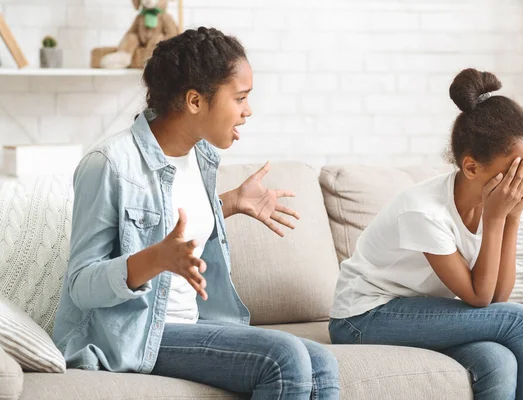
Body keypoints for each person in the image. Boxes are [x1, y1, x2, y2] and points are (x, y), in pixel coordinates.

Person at [53, 27, 340, 400]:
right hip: (135, 334)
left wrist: (230, 202)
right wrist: (153, 259)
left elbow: (170, 219)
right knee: (282, 357)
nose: (247, 111)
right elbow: (80, 286)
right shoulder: (110, 164)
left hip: (190, 324)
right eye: (240, 98)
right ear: (194, 101)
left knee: (321, 362)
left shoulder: (201, 156)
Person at [328, 68, 523, 400]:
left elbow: (498, 299)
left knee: (497, 362)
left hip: (419, 310)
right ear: (471, 167)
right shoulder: (425, 211)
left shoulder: (495, 202)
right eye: (515, 172)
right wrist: (499, 216)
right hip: (364, 316)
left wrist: (512, 216)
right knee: (521, 321)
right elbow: (481, 298)